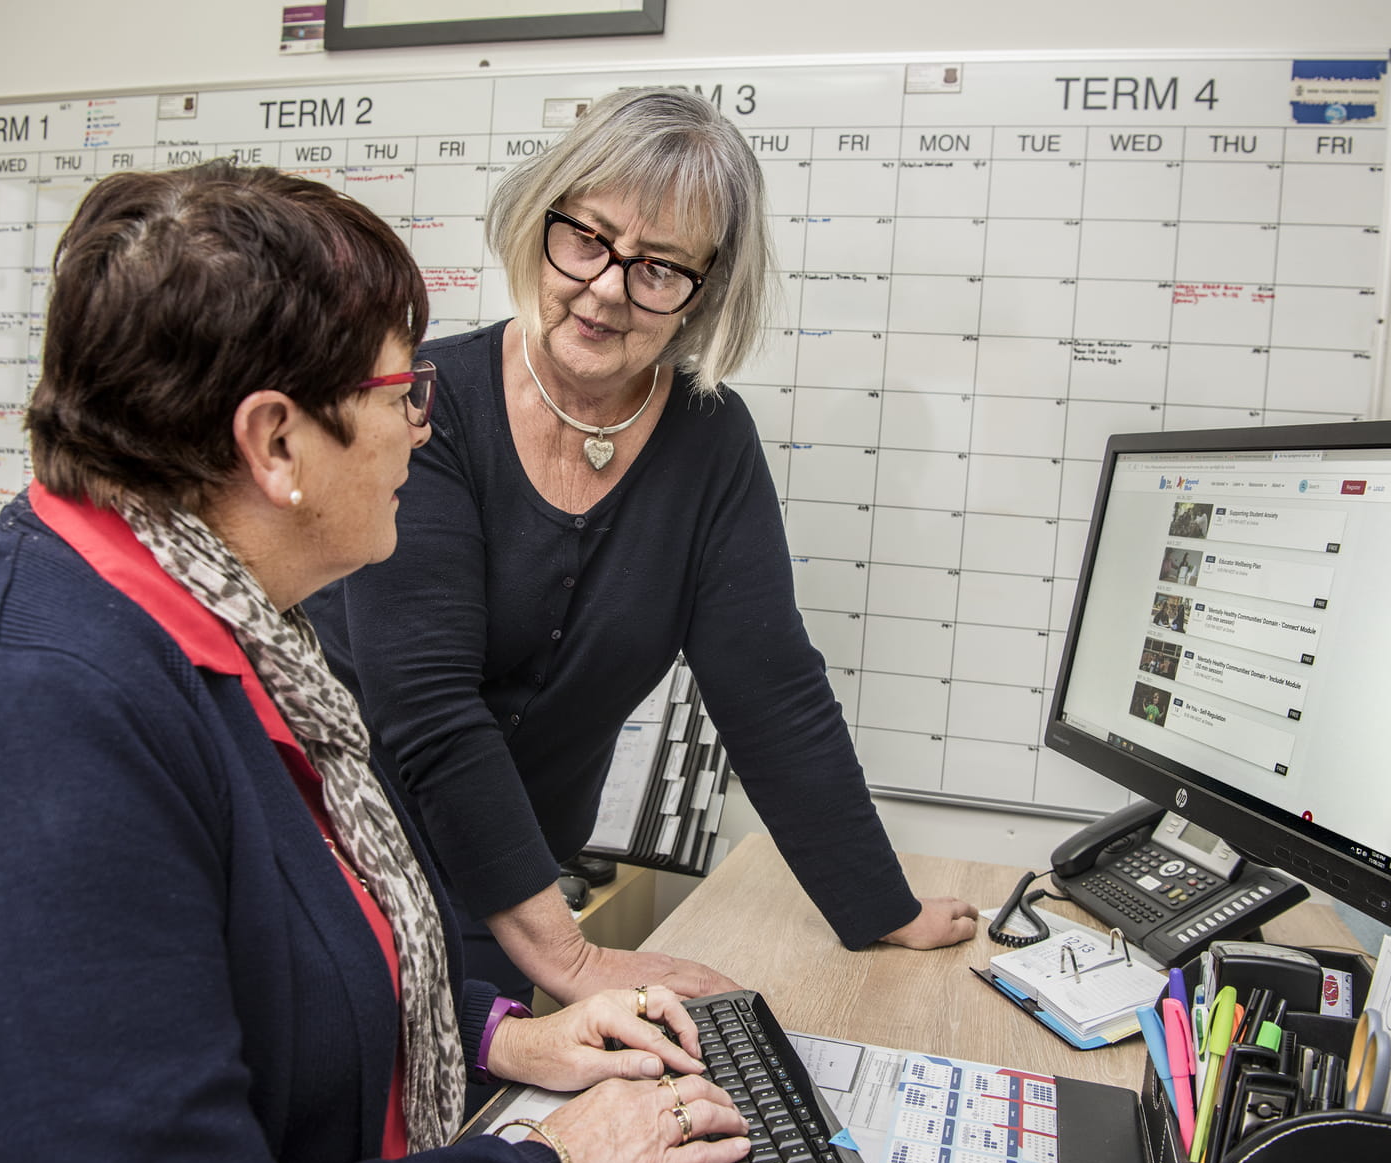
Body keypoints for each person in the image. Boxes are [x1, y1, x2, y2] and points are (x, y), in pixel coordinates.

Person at [0, 161, 751, 1163]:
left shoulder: (217, 626)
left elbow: (263, 968)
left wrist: (499, 1033)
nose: (421, 425)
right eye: (402, 391)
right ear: (276, 442)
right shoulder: (21, 733)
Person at [305, 87, 979, 1011]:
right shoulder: (432, 402)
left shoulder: (710, 440)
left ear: (708, 289)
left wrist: (879, 905)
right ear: (541, 218)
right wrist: (573, 960)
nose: (608, 289)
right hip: (351, 861)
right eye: (587, 238)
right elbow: (427, 706)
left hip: (520, 888)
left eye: (660, 267)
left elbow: (773, 692)